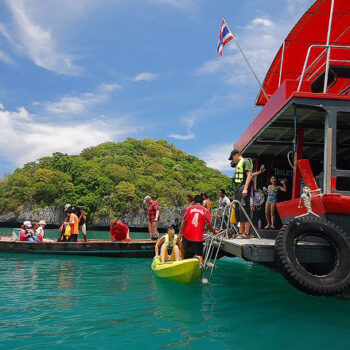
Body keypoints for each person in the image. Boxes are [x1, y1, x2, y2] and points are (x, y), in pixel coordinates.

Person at [179, 194, 218, 264]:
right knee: (200, 254)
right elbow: (208, 225)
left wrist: (180, 234)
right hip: (197, 236)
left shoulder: (189, 209)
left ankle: (181, 260)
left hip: (187, 234)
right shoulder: (205, 211)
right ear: (202, 202)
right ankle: (201, 266)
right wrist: (214, 232)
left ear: (194, 201)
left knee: (183, 246)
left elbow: (184, 222)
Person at [229, 149, 253, 239]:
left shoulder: (245, 161)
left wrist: (246, 188)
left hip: (243, 187)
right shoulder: (237, 164)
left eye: (232, 157)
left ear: (237, 155)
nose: (232, 160)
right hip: (238, 188)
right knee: (238, 210)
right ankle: (241, 232)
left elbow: (249, 175)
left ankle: (246, 233)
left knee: (245, 209)